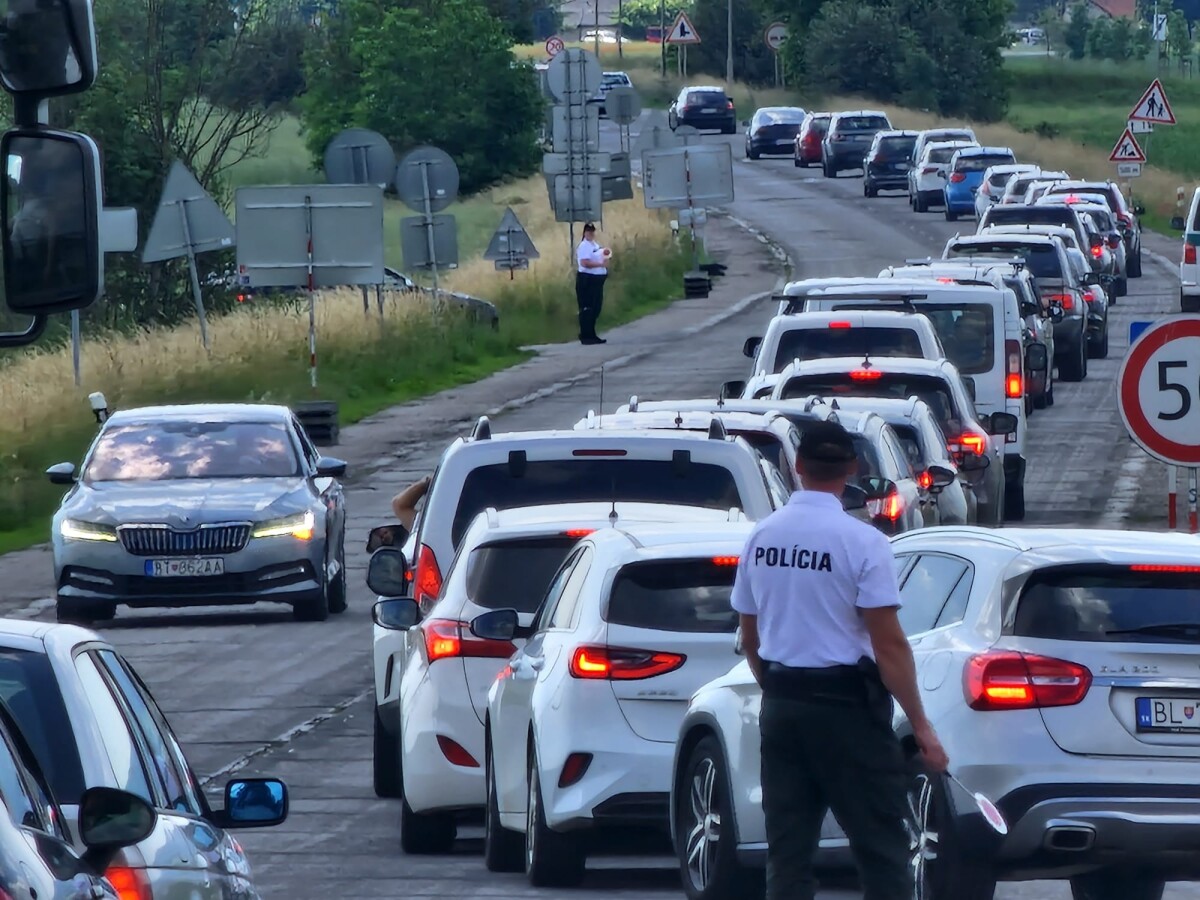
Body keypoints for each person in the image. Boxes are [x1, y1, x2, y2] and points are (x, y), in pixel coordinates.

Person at [730, 419, 950, 900]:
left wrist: (781, 690)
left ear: (797, 466)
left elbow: (750, 636)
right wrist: (922, 727)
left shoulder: (761, 538)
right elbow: (889, 646)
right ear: (851, 469)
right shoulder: (862, 542)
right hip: (848, 711)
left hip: (783, 707)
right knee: (881, 846)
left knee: (787, 853)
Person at [575, 222, 609, 345]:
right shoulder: (584, 246)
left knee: (595, 308)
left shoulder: (594, 245)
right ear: (584, 233)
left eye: (592, 231)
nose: (591, 233)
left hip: (596, 280)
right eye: (588, 231)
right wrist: (600, 265)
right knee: (588, 308)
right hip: (587, 279)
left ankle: (591, 333)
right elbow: (584, 263)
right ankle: (586, 335)